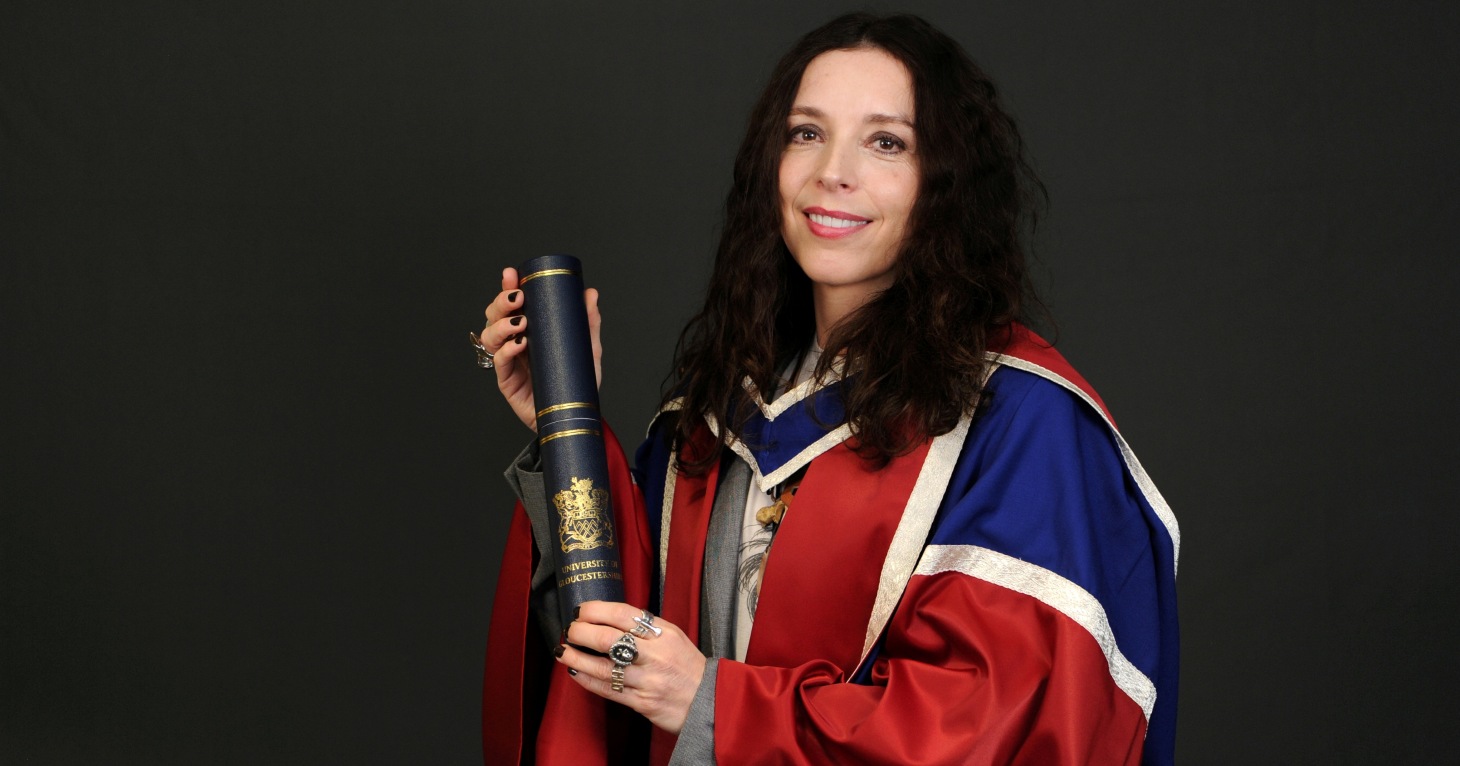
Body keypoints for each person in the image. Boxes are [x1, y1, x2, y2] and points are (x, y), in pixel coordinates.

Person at [475, 12, 1179, 766]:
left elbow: (999, 723)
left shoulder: (1024, 423)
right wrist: (562, 424)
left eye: (886, 142)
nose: (831, 172)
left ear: (946, 181)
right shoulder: (717, 412)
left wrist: (713, 703)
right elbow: (608, 647)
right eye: (805, 133)